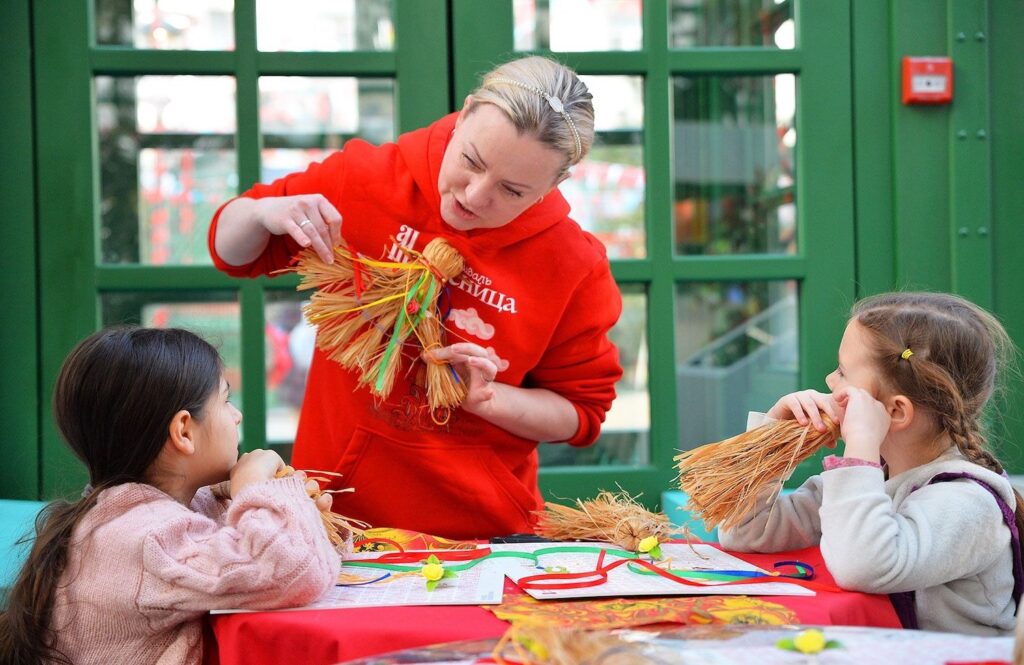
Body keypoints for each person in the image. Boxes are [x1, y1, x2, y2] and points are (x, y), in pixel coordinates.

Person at [208, 56, 623, 539]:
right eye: (471, 161)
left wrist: (490, 400)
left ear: (555, 183)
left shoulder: (573, 263)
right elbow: (229, 251)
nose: (475, 195)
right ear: (465, 113)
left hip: (482, 536)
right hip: (334, 521)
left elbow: (581, 414)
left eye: (512, 191)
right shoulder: (366, 178)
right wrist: (262, 212)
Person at [0, 327, 341, 665]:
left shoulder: (146, 513)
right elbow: (293, 572)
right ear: (183, 431)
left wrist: (301, 515)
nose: (237, 415)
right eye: (225, 401)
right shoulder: (141, 538)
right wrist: (255, 487)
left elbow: (279, 558)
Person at [718, 292, 1023, 635]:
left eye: (843, 372)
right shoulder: (877, 476)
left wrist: (860, 445)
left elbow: (860, 566)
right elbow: (746, 532)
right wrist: (772, 442)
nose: (830, 381)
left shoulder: (967, 503)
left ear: (895, 411)